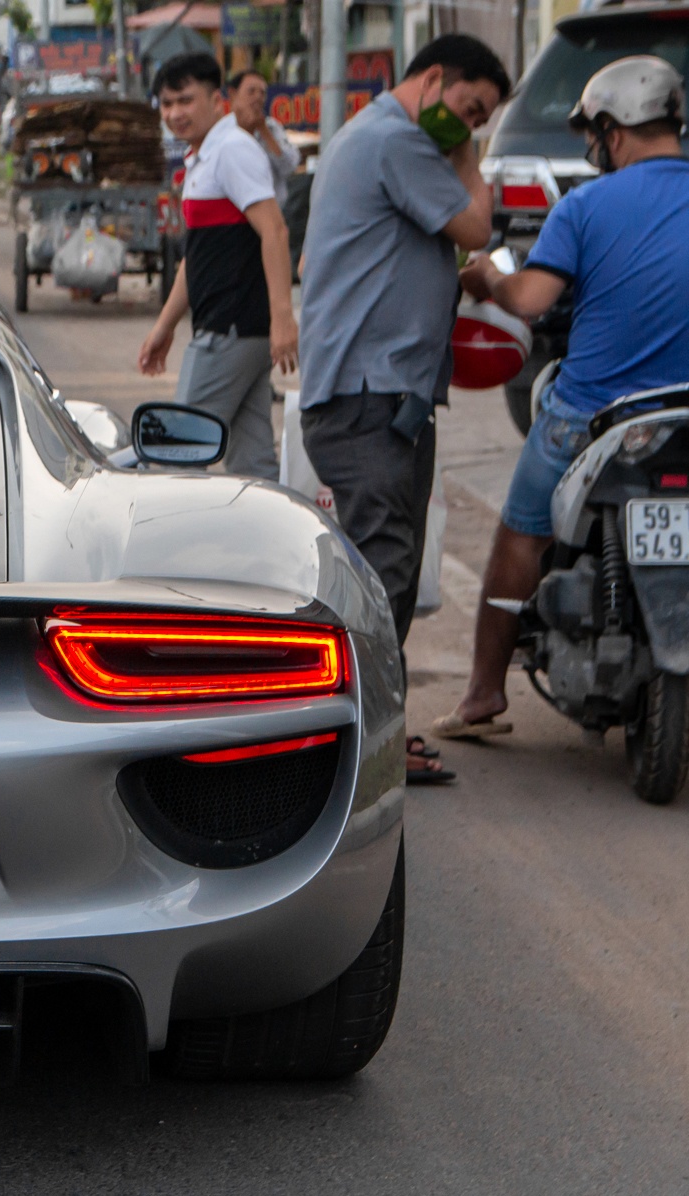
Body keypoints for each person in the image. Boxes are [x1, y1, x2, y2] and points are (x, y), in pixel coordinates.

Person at [435, 56, 689, 742]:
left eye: (593, 134)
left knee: (520, 532)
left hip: (593, 416)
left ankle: (485, 693)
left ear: (612, 130)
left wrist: (487, 277)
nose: (591, 146)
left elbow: (532, 300)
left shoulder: (582, 206)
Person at [295, 34, 507, 783]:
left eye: (481, 121)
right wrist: (468, 159)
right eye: (469, 108)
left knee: (391, 575)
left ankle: (378, 730)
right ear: (436, 78)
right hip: (366, 398)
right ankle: (365, 749)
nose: (471, 125)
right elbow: (476, 226)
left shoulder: (377, 139)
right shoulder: (396, 140)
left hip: (382, 398)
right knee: (383, 576)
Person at [136, 53, 298, 480]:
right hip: (234, 331)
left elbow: (275, 231)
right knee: (252, 465)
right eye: (167, 104)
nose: (175, 113)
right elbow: (199, 256)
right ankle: (271, 544)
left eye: (186, 101)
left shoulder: (232, 151)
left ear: (217, 99)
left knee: (176, 454)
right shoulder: (203, 158)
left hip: (229, 331)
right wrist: (165, 326)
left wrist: (283, 319)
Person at [227, 69, 299, 206]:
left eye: (262, 93)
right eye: (251, 91)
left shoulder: (272, 128)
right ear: (233, 94)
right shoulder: (223, 132)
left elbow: (289, 167)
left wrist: (264, 131)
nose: (258, 97)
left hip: (273, 214)